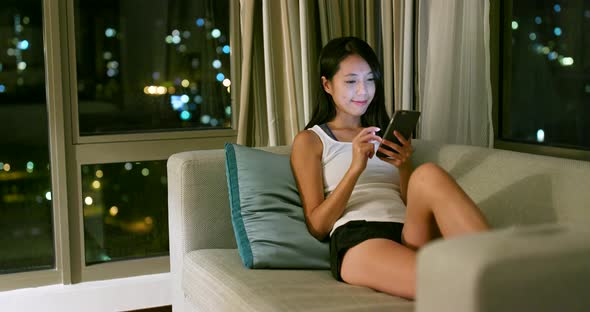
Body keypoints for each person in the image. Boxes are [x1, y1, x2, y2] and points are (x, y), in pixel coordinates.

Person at [290, 36, 489, 300]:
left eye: (370, 80)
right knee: (456, 287)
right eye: (351, 81)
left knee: (427, 173)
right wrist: (355, 168)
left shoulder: (387, 135)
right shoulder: (311, 140)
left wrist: (404, 166)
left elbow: (411, 202)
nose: (363, 91)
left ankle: (499, 263)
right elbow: (318, 226)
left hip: (408, 229)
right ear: (327, 85)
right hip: (361, 236)